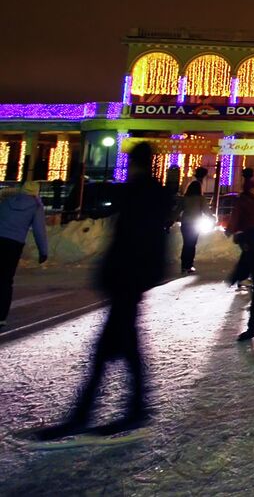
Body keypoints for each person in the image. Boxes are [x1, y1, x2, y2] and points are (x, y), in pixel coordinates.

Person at [35, 143, 167, 440]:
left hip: (128, 277)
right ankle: (132, 409)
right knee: (123, 348)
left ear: (137, 163)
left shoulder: (142, 192)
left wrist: (119, 273)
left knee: (108, 351)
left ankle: (89, 416)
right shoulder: (146, 191)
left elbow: (135, 239)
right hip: (130, 278)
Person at [0, 179, 49, 328]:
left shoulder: (7, 202)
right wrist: (43, 252)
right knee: (6, 280)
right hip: (14, 245)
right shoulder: (35, 206)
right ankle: (1, 316)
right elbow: (39, 231)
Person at [229, 169, 254, 288]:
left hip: (253, 232)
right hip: (246, 232)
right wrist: (231, 229)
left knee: (250, 255)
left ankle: (243, 277)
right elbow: (236, 215)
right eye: (253, 189)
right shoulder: (245, 200)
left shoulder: (253, 200)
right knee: (248, 255)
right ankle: (241, 277)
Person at [178, 168, 209, 274]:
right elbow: (206, 211)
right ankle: (189, 265)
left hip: (185, 224)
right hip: (195, 224)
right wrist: (213, 219)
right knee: (192, 244)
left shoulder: (185, 198)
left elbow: (177, 210)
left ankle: (183, 265)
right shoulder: (201, 198)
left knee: (186, 243)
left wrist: (170, 220)